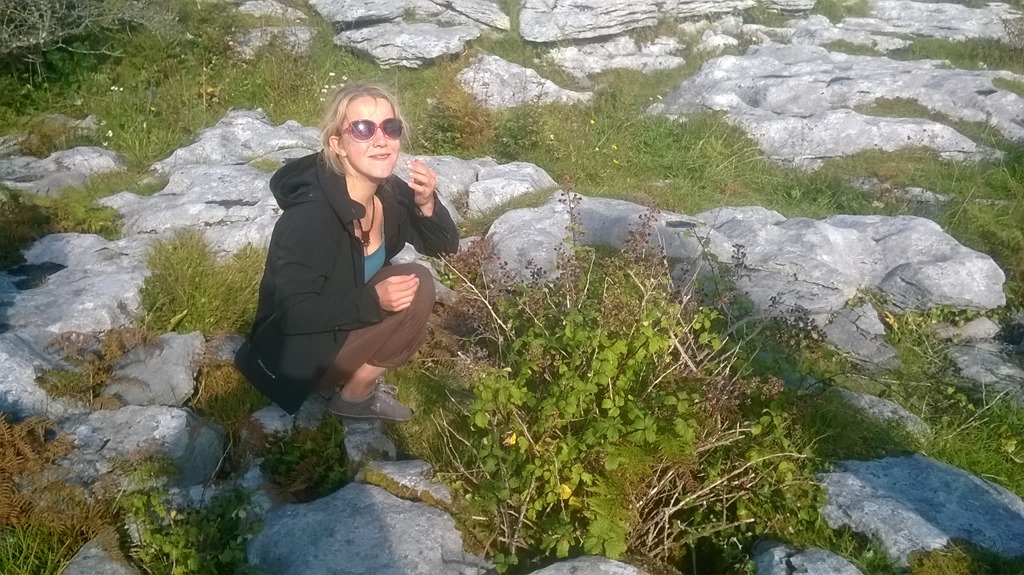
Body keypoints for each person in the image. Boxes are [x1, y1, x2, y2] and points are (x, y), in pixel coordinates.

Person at [234, 83, 459, 421]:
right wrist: (374, 302)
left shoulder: (388, 193)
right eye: (364, 129)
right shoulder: (311, 218)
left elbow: (444, 248)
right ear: (337, 144)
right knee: (420, 283)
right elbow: (294, 313)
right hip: (291, 359)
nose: (381, 140)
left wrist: (427, 204)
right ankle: (355, 397)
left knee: (414, 281)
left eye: (390, 127)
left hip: (335, 327)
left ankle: (352, 388)